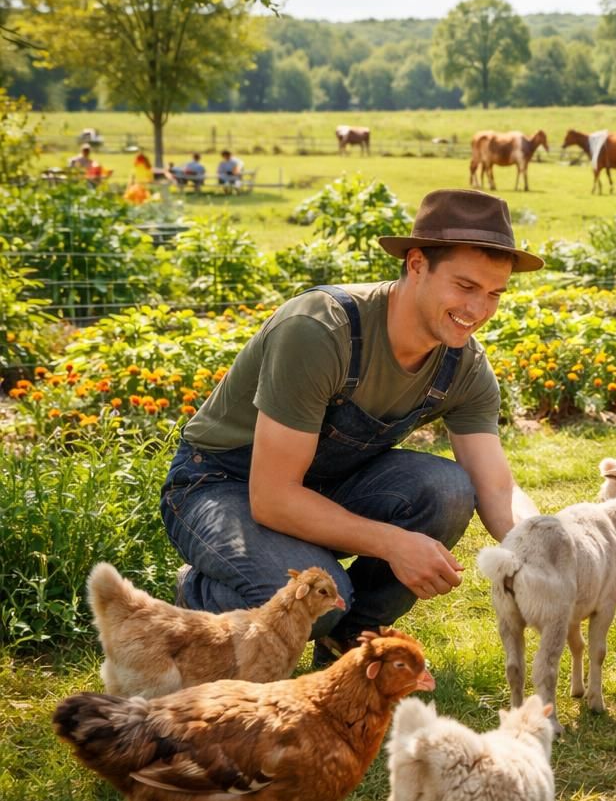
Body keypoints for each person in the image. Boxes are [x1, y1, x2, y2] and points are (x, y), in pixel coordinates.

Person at [161, 188, 545, 663]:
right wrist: (395, 544)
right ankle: (198, 594)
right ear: (417, 264)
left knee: (446, 489)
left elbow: (497, 488)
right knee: (318, 596)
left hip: (324, 486)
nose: (479, 309)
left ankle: (348, 638)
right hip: (221, 485)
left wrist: (556, 556)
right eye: (465, 286)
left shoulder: (463, 365)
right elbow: (273, 496)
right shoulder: (321, 330)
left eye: (494, 294)